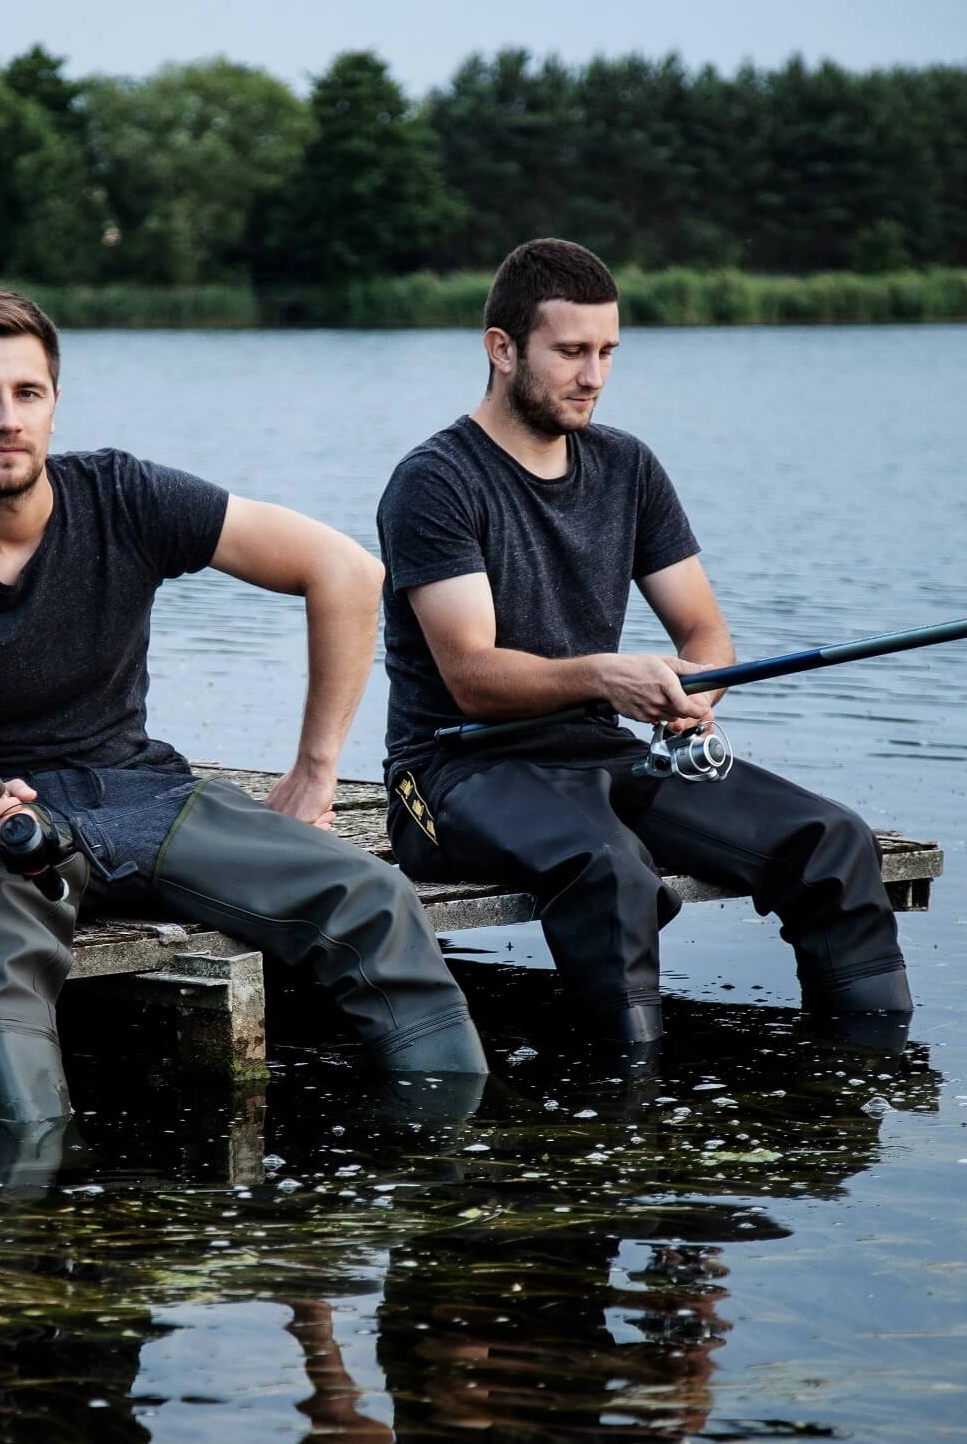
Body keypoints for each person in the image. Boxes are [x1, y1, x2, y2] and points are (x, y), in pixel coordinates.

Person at [0, 286, 485, 1123]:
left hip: (143, 794)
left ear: (55, 404)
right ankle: (25, 1171)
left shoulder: (122, 495)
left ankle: (457, 1150)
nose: (6, 419)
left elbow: (346, 571)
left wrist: (316, 772)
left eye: (27, 393)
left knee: (374, 898)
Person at [376, 238, 911, 1051]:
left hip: (599, 753)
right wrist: (606, 675)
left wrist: (698, 690)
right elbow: (473, 675)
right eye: (570, 352)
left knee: (832, 841)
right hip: (452, 773)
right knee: (610, 868)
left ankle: (871, 1078)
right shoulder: (436, 481)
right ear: (502, 349)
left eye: (607, 352)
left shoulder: (627, 466)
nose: (593, 375)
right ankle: (630, 1093)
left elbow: (703, 631)